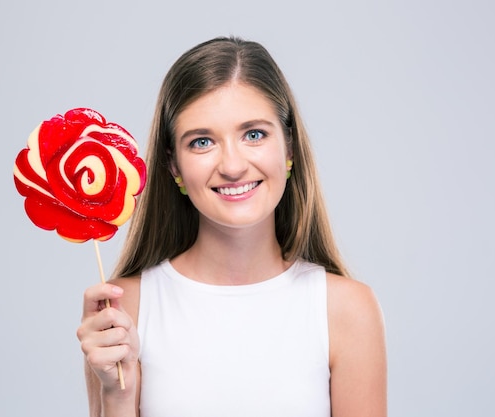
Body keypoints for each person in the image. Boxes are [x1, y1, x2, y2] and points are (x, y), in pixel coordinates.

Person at [76, 36, 387, 417]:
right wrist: (117, 397)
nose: (233, 165)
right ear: (174, 166)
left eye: (254, 134)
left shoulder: (347, 309)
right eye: (202, 142)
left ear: (289, 148)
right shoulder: (124, 309)